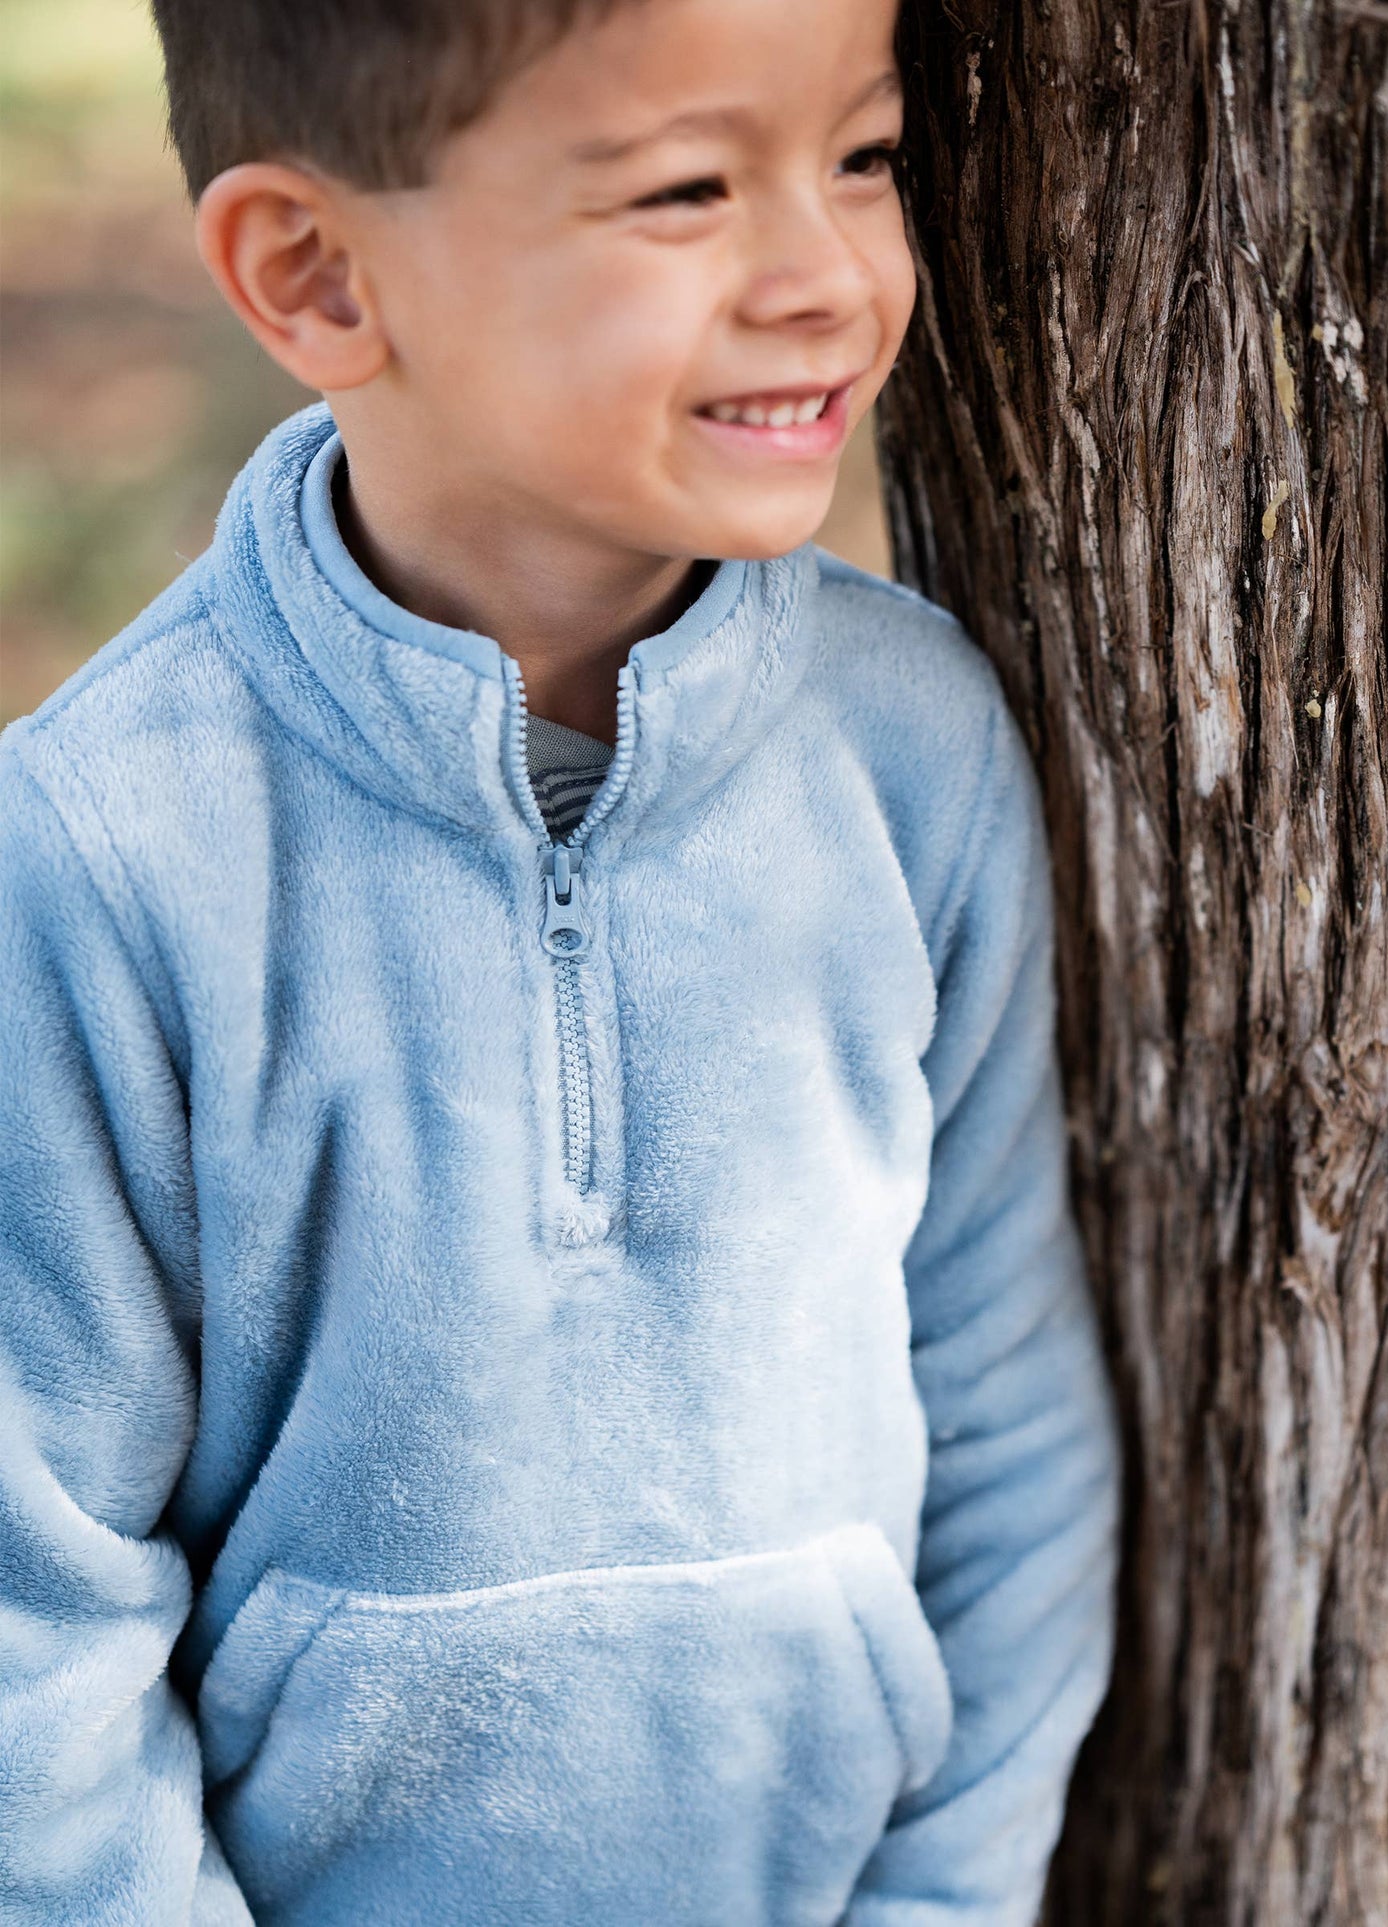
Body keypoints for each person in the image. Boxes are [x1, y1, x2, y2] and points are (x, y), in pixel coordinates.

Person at [0, 0, 1121, 1920]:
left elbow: (1009, 1413)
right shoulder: (105, 850)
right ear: (319, 275)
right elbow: (37, 1599)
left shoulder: (913, 751)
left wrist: (941, 1905)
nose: (831, 276)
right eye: (689, 187)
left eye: (861, 158)